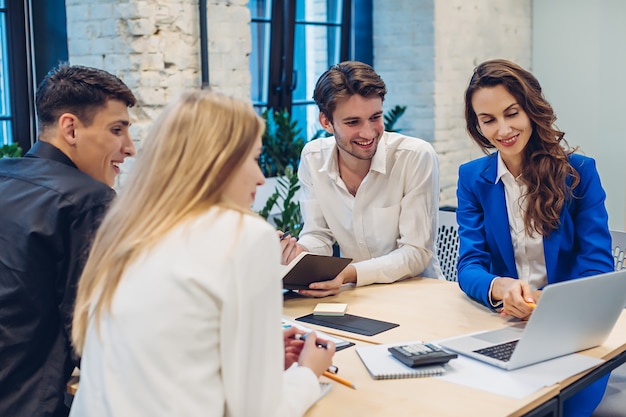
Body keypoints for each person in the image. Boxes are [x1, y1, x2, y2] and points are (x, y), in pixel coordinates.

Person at [69, 90, 335, 417]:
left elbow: (170, 357)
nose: (260, 176)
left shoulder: (126, 233)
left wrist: (256, 358)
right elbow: (259, 411)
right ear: (217, 162)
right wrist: (309, 371)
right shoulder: (244, 235)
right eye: (252, 158)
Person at [456, 59, 614, 417]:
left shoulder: (579, 173)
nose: (503, 129)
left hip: (571, 333)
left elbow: (596, 266)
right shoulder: (472, 178)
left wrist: (551, 305)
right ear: (477, 124)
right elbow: (469, 265)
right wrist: (501, 287)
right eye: (488, 119)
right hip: (503, 328)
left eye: (512, 113)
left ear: (531, 108)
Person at [0, 64, 136, 417]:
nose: (130, 148)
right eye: (116, 130)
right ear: (70, 128)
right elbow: (98, 336)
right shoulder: (88, 200)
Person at [280, 61, 442, 297]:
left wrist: (348, 273)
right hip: (355, 296)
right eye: (353, 122)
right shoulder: (313, 158)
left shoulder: (415, 156)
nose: (368, 133)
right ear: (326, 122)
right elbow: (318, 235)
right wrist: (298, 253)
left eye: (375, 117)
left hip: (416, 295)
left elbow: (416, 253)